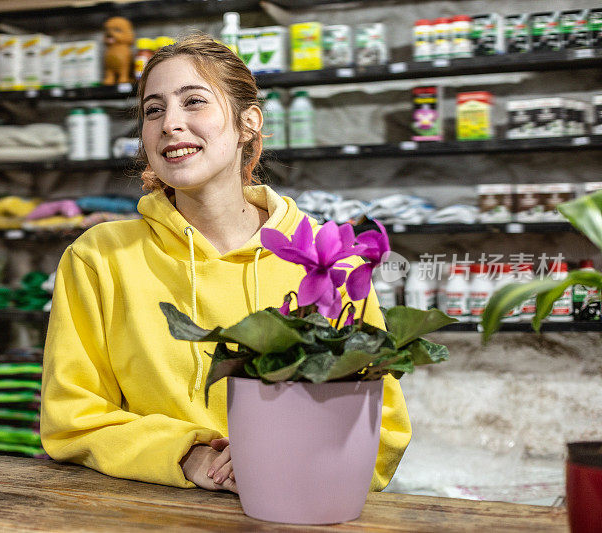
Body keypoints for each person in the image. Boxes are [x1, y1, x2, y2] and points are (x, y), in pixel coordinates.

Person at [40, 33, 412, 493]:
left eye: (193, 101)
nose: (170, 123)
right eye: (153, 110)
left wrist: (278, 455)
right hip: (148, 512)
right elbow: (71, 420)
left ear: (247, 123)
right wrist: (189, 455)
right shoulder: (99, 257)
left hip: (301, 506)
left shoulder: (324, 252)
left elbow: (384, 427)